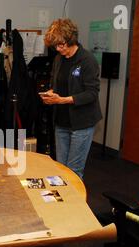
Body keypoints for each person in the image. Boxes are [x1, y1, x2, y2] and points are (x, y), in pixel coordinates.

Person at [40, 18, 102, 180]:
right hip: (61, 122)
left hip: (81, 124)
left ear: (71, 39)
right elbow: (56, 83)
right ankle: (63, 203)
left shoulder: (87, 60)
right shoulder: (58, 59)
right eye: (55, 46)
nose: (58, 49)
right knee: (61, 167)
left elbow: (92, 93)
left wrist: (63, 100)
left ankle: (74, 204)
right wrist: (51, 93)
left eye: (61, 45)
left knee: (74, 171)